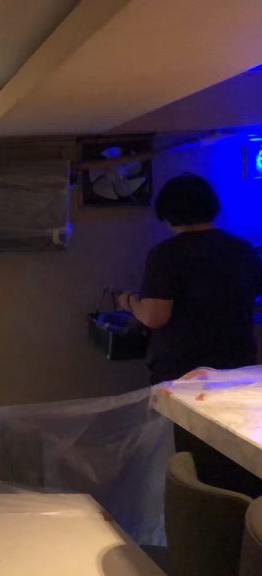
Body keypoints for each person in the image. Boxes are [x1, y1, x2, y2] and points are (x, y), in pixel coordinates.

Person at [119, 173, 262, 494]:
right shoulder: (242, 250)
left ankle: (202, 514)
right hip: (237, 367)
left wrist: (128, 302)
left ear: (168, 214)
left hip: (184, 373)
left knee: (192, 459)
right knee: (237, 454)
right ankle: (242, 513)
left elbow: (154, 316)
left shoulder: (167, 255)